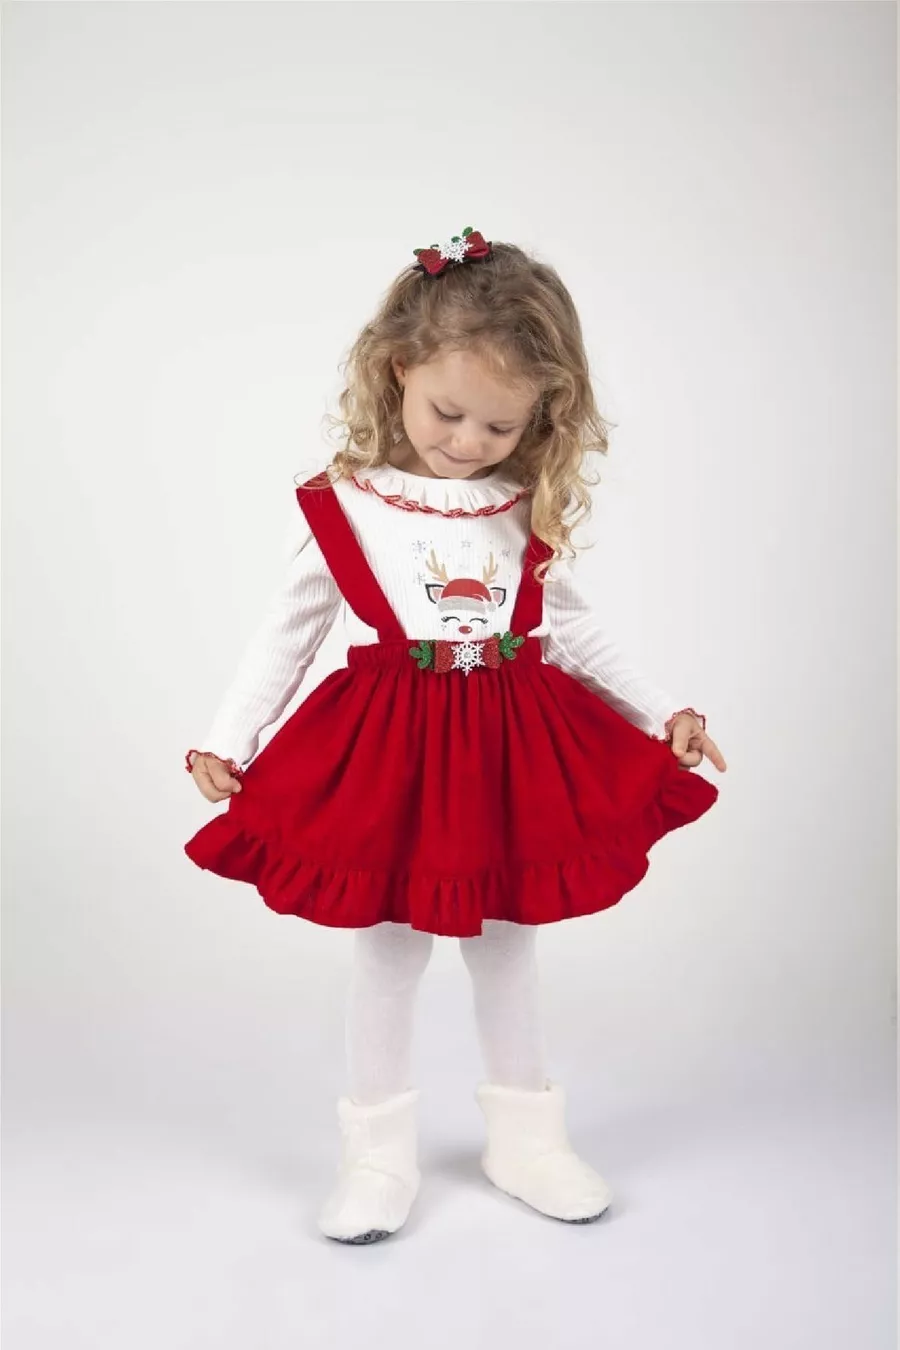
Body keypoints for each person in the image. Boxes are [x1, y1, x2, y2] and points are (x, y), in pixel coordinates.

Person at [183, 226, 727, 1245]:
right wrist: (229, 737)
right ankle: (376, 1156)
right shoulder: (349, 504)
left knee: (507, 948)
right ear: (400, 369)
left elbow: (574, 630)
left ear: (539, 417)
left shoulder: (521, 507)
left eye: (500, 424)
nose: (470, 442)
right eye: (449, 412)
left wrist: (665, 712)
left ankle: (526, 1141)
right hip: (394, 753)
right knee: (390, 953)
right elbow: (289, 628)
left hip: (509, 749)